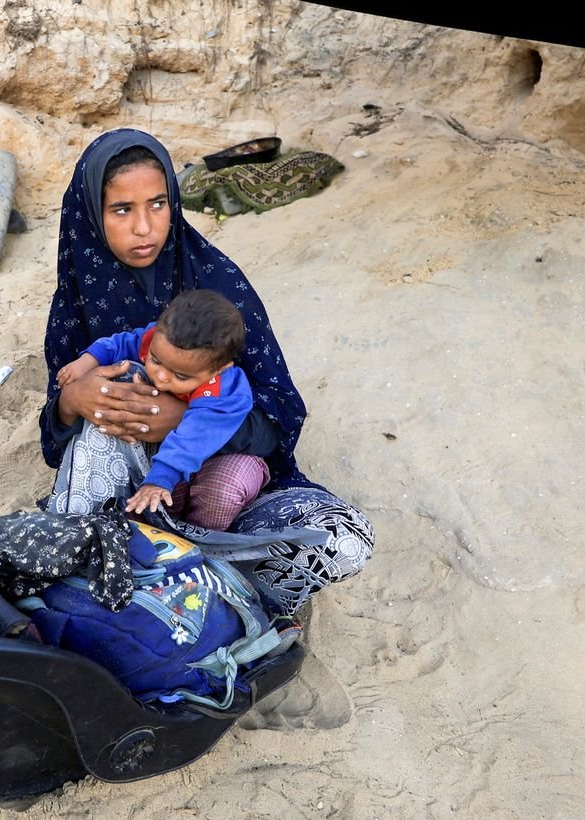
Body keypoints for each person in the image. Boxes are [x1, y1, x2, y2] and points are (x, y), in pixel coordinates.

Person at [42, 128, 372, 616]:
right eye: (121, 210)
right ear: (90, 214)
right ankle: (161, 593)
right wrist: (72, 402)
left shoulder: (217, 285)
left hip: (226, 499)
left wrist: (180, 418)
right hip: (132, 503)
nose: (145, 228)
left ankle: (209, 594)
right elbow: (58, 448)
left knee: (341, 539)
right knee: (94, 443)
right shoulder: (79, 299)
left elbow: (280, 419)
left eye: (158, 204)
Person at [55, 288, 270, 530]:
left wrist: (160, 479)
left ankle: (199, 540)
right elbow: (120, 343)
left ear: (219, 368)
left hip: (217, 459)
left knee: (221, 491)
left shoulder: (222, 389)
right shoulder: (158, 340)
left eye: (179, 375)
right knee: (140, 507)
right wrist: (87, 361)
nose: (161, 377)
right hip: (170, 462)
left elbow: (194, 437)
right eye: (155, 360)